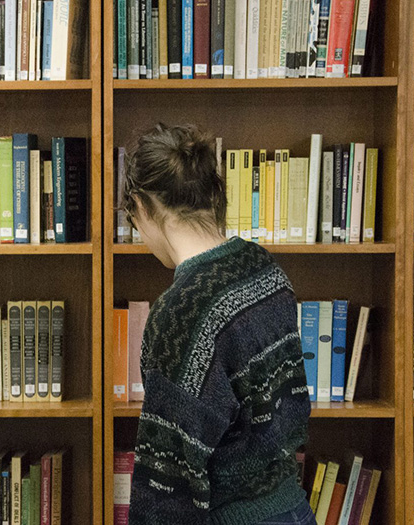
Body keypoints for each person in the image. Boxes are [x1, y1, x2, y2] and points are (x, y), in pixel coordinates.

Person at [121, 124, 313, 525]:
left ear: (140, 206)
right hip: (293, 508)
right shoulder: (261, 267)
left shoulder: (180, 311)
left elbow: (169, 479)